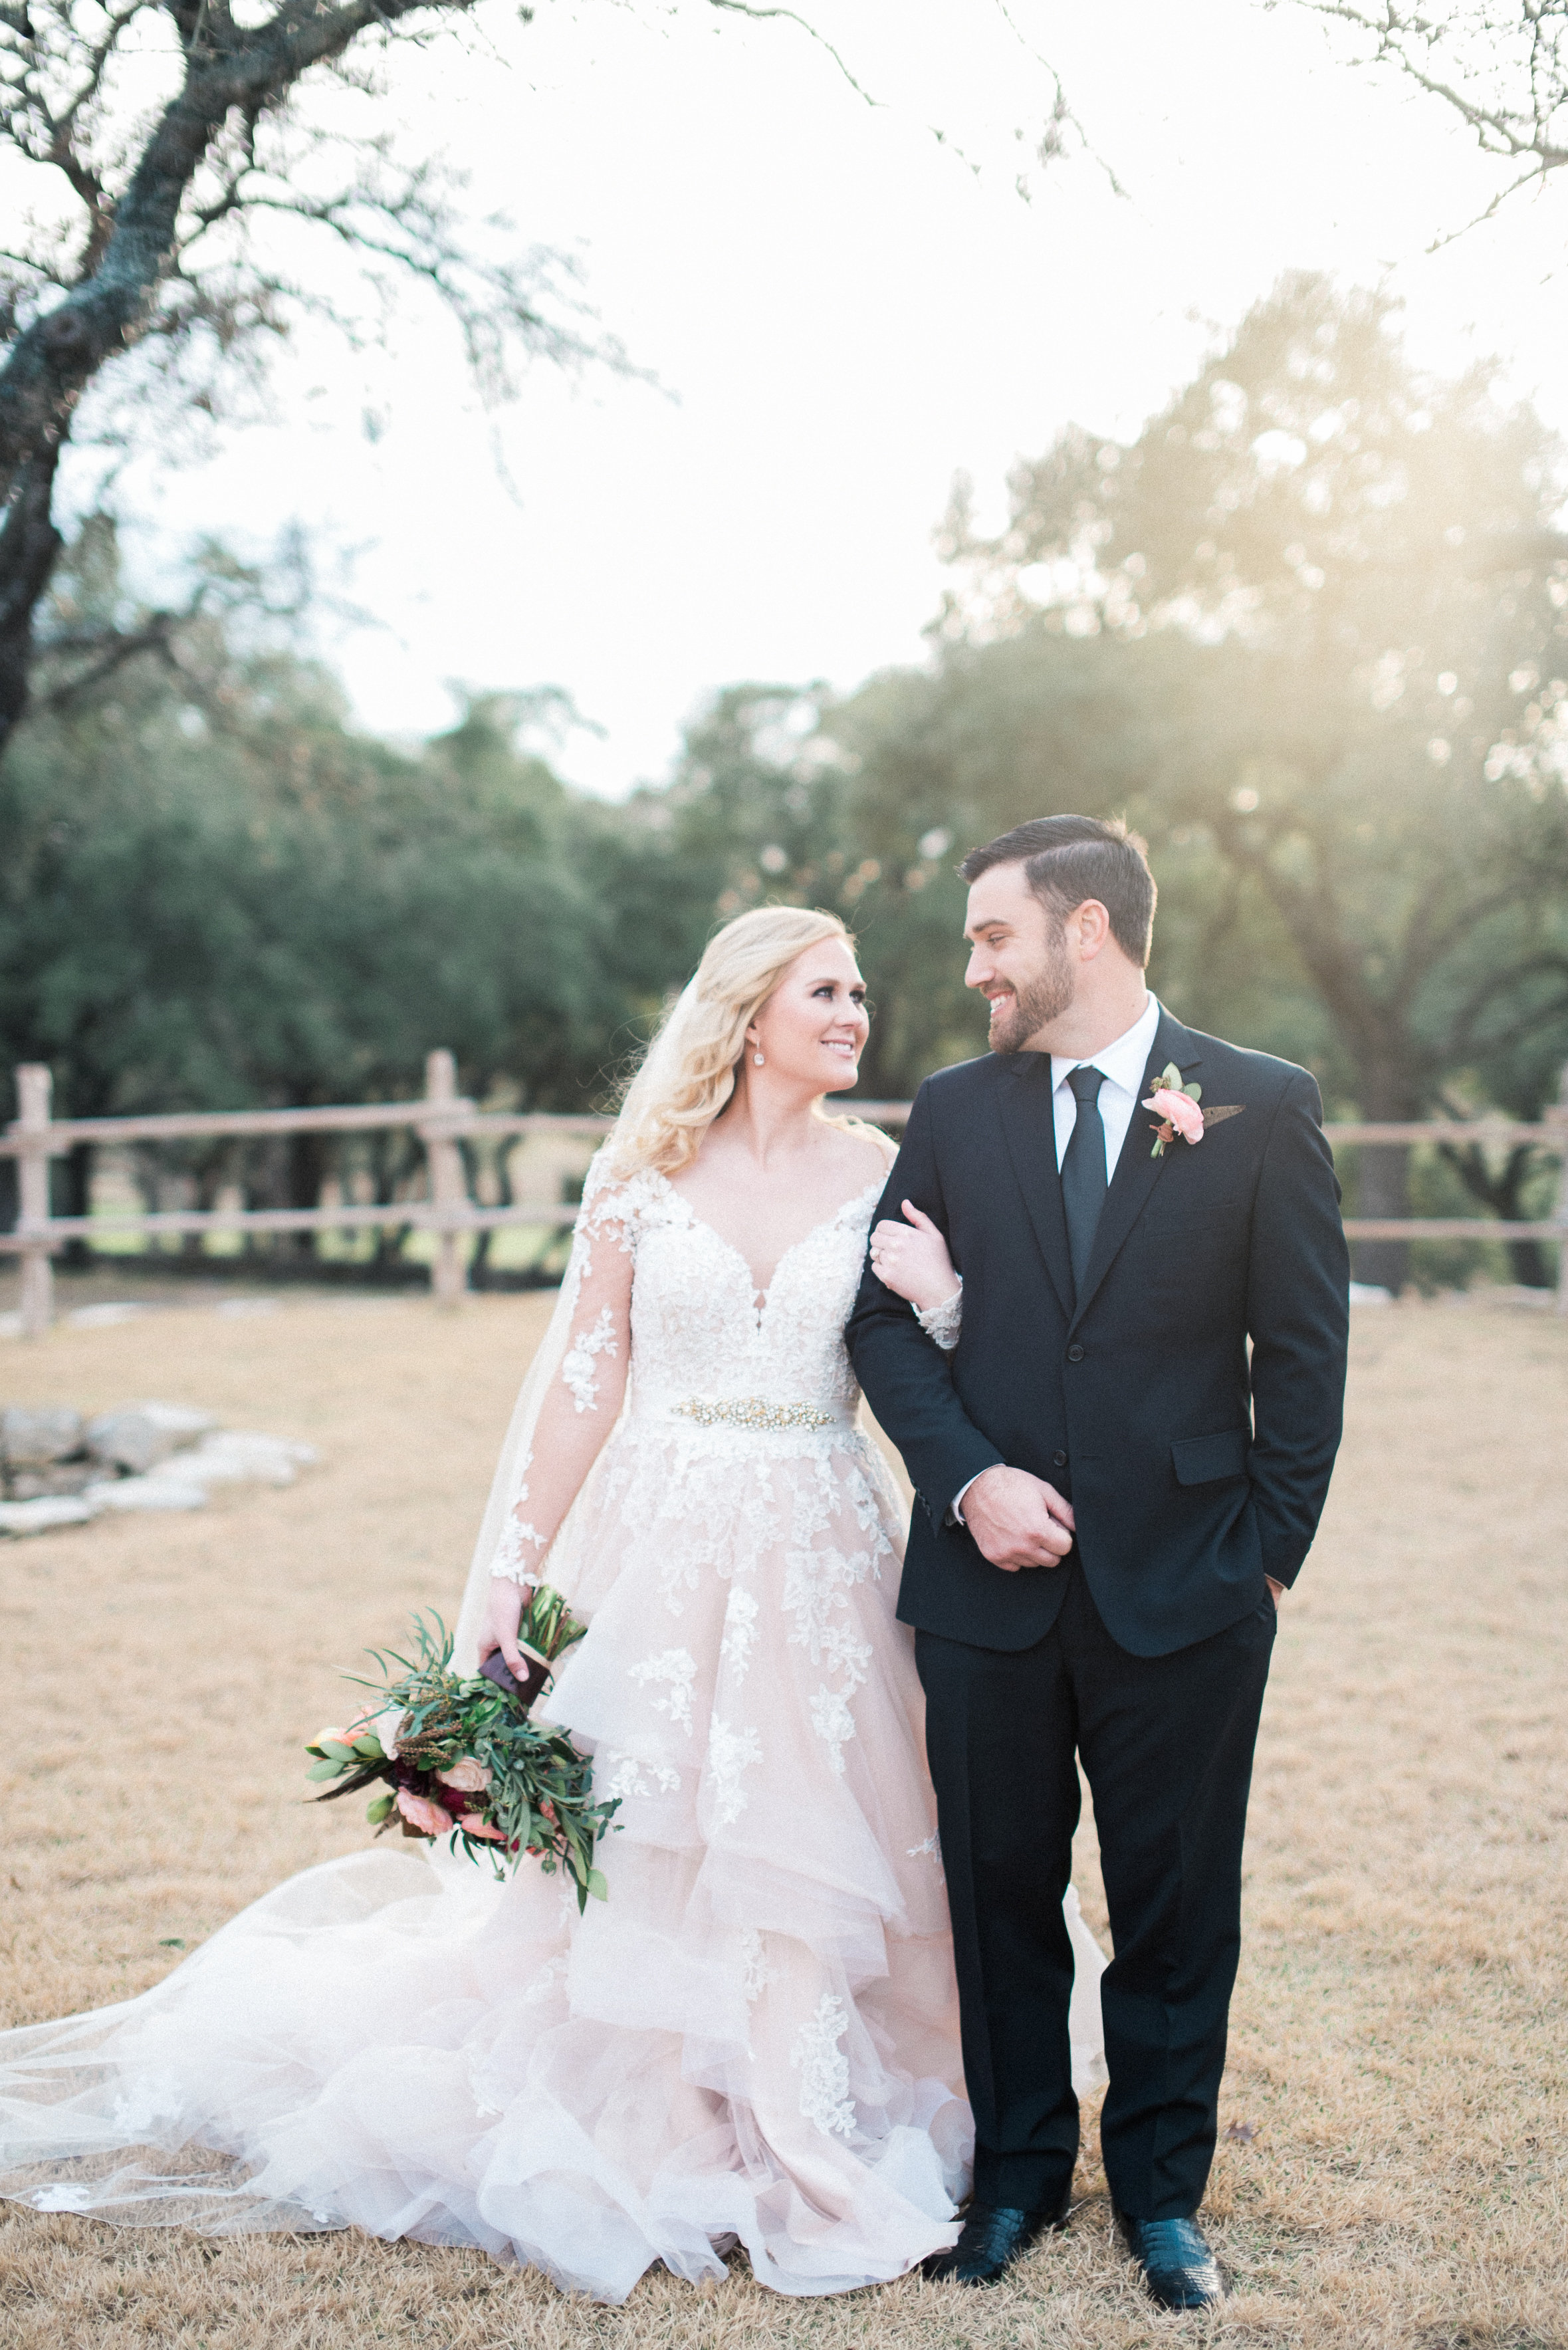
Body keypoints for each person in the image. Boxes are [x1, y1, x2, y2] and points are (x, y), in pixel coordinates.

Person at [0, 904, 1106, 2304]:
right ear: (749, 1010)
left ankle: (801, 2106)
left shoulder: (888, 1173)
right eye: (825, 988)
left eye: (861, 991)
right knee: (652, 1827)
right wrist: (503, 1580)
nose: (857, 1010)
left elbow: (925, 1374)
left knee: (812, 1829)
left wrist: (946, 1306)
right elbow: (583, 1381)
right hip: (656, 1540)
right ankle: (660, 2104)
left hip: (823, 1551)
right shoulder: (642, 1176)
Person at [848, 817, 1349, 2307]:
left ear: (1086, 932)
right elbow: (879, 1319)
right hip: (986, 1593)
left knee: (1176, 1902)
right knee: (997, 1893)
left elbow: (1305, 1354)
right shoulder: (949, 1109)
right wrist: (968, 1480)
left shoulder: (1260, 1103)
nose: (971, 967)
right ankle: (1011, 2187)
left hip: (1189, 1584)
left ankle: (1160, 2200)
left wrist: (1264, 1559)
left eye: (993, 935)